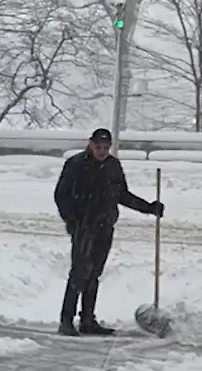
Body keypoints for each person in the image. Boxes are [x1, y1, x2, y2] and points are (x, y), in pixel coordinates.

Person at [53, 128, 163, 336]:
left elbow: (121, 194)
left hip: (105, 226)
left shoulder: (113, 166)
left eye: (105, 147)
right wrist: (72, 219)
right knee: (79, 273)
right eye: (98, 147)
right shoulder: (76, 165)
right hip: (83, 226)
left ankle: (87, 320)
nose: (101, 151)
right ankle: (66, 321)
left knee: (94, 273)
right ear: (90, 144)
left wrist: (149, 207)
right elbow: (61, 195)